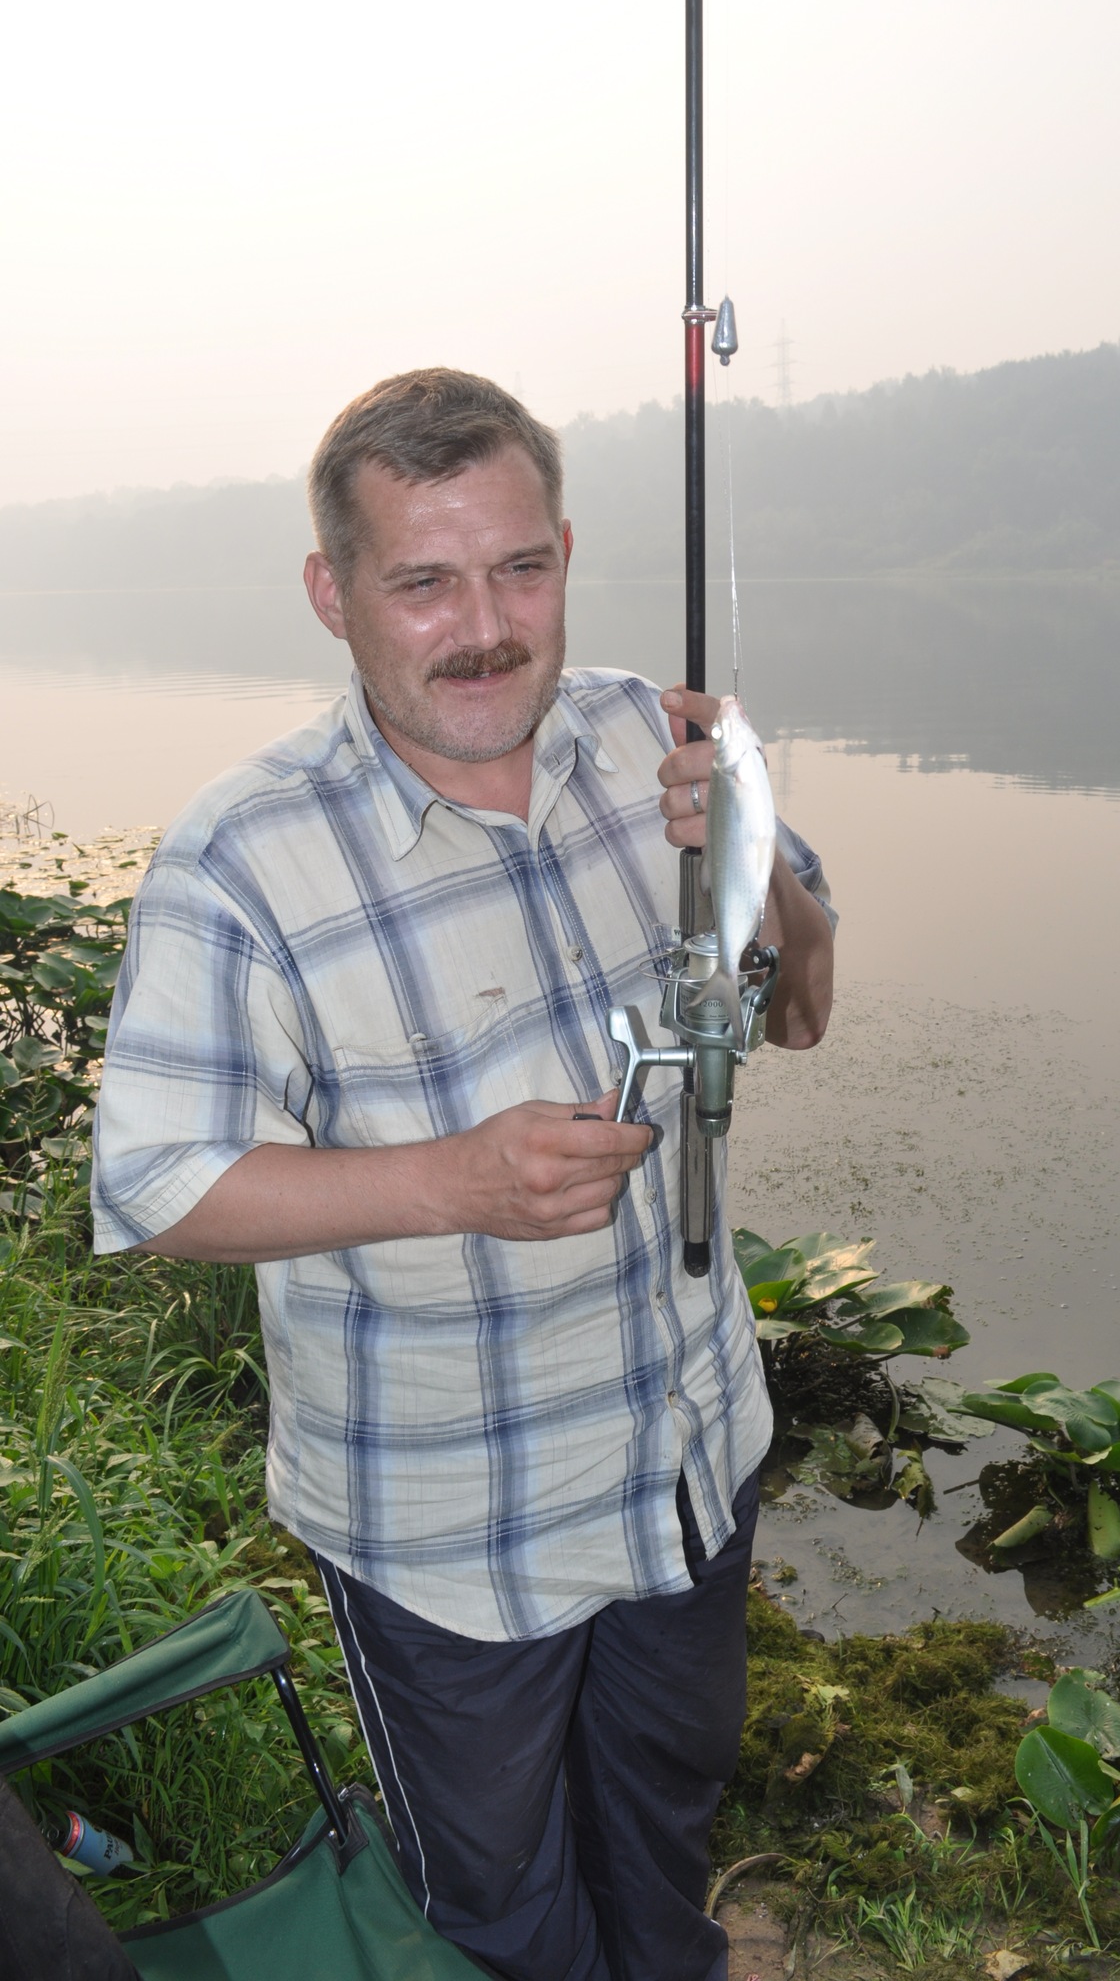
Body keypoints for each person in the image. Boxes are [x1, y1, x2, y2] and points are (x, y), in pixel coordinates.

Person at [91, 368, 834, 1981]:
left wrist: (762, 876)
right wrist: (447, 1184)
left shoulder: (663, 739)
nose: (485, 627)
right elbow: (155, 1182)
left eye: (520, 569)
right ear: (333, 593)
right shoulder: (241, 860)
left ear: (567, 555)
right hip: (448, 1533)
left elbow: (803, 1002)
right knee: (498, 1907)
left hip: (691, 1460)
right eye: (424, 581)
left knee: (666, 1823)